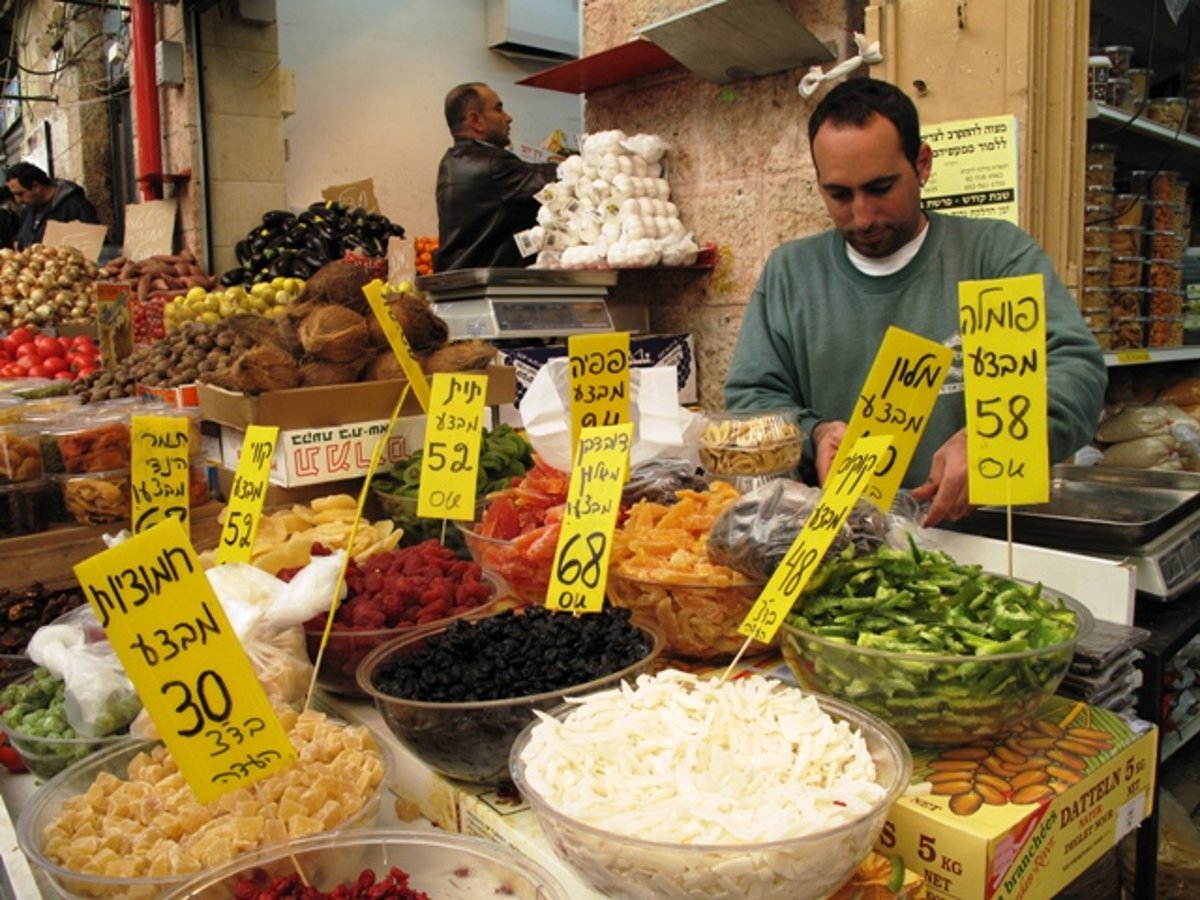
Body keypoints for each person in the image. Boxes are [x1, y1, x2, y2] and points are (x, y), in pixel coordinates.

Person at [723, 78, 1107, 527]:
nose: (862, 216)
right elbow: (751, 401)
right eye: (839, 195)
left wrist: (990, 438)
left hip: (983, 536)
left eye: (881, 188)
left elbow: (1075, 369)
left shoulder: (995, 255)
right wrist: (815, 434)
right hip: (839, 541)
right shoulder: (790, 273)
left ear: (922, 164)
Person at [434, 82, 557, 272]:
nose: (508, 118)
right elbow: (553, 185)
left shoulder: (451, 161)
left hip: (463, 286)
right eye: (498, 109)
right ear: (475, 120)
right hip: (491, 285)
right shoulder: (492, 166)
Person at [6, 161, 100, 249]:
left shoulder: (75, 207)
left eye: (20, 194)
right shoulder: (27, 212)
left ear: (36, 186)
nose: (17, 200)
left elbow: (92, 248)